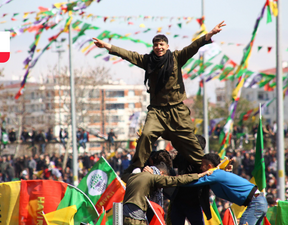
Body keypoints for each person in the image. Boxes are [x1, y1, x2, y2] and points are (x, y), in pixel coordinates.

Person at [93, 21, 226, 172]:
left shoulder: (177, 58)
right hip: (157, 111)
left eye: (162, 44)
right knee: (146, 135)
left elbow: (194, 46)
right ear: (153, 47)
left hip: (177, 110)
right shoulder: (148, 61)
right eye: (156, 45)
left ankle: (208, 167)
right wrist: (107, 46)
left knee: (190, 139)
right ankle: (136, 167)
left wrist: (210, 34)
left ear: (167, 46)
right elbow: (128, 55)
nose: (159, 47)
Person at [186, 152, 268, 225]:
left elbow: (191, 182)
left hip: (255, 202)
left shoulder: (214, 174)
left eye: (202, 165)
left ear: (209, 166)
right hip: (260, 201)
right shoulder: (219, 172)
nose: (200, 168)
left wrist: (175, 180)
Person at [122, 162, 211, 225]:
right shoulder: (153, 178)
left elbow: (125, 174)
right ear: (161, 173)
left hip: (124, 216)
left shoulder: (132, 177)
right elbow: (176, 180)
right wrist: (198, 176)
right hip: (135, 218)